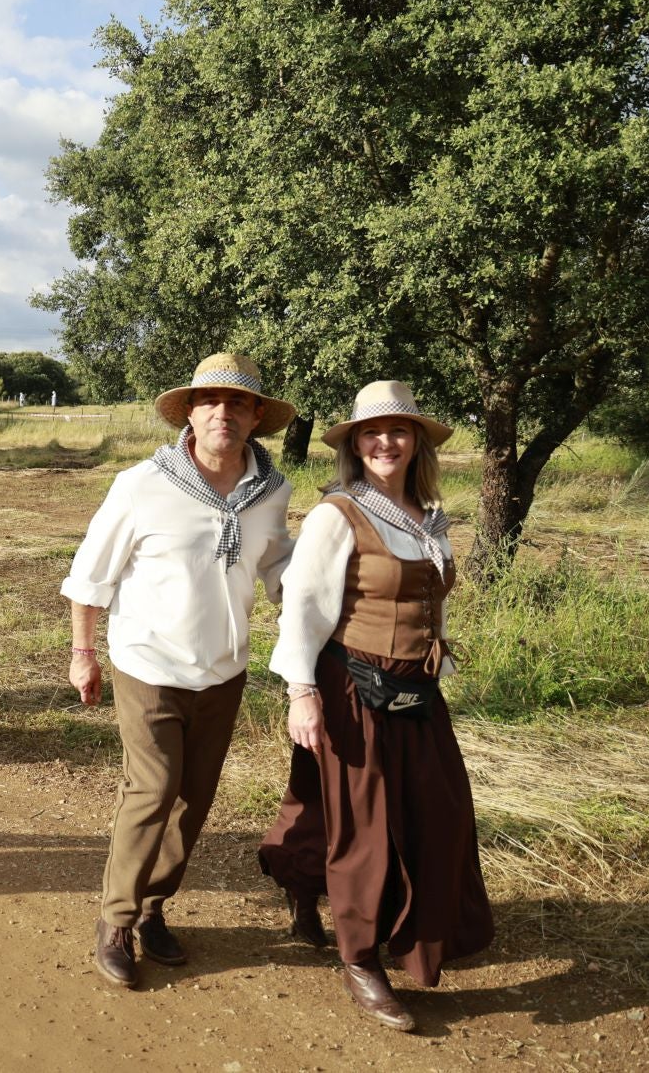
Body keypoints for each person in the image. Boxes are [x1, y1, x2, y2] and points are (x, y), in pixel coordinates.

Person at [257, 381, 490, 1033]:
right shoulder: (338, 514)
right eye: (371, 433)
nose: (385, 442)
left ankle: (353, 906)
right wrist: (301, 694)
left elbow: (434, 599)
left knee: (437, 812)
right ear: (355, 445)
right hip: (352, 688)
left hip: (417, 691)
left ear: (416, 441)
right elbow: (301, 605)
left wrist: (438, 657)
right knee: (365, 830)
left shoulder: (429, 513)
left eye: (398, 430)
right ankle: (359, 956)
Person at [62, 352, 295, 989]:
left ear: (255, 418)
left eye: (239, 403)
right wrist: (84, 653)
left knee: (194, 799)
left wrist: (334, 595)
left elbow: (276, 567)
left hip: (223, 669)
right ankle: (115, 920)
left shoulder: (271, 490)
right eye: (211, 401)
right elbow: (92, 576)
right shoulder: (144, 484)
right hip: (148, 663)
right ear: (190, 412)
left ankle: (152, 909)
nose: (225, 412)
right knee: (154, 787)